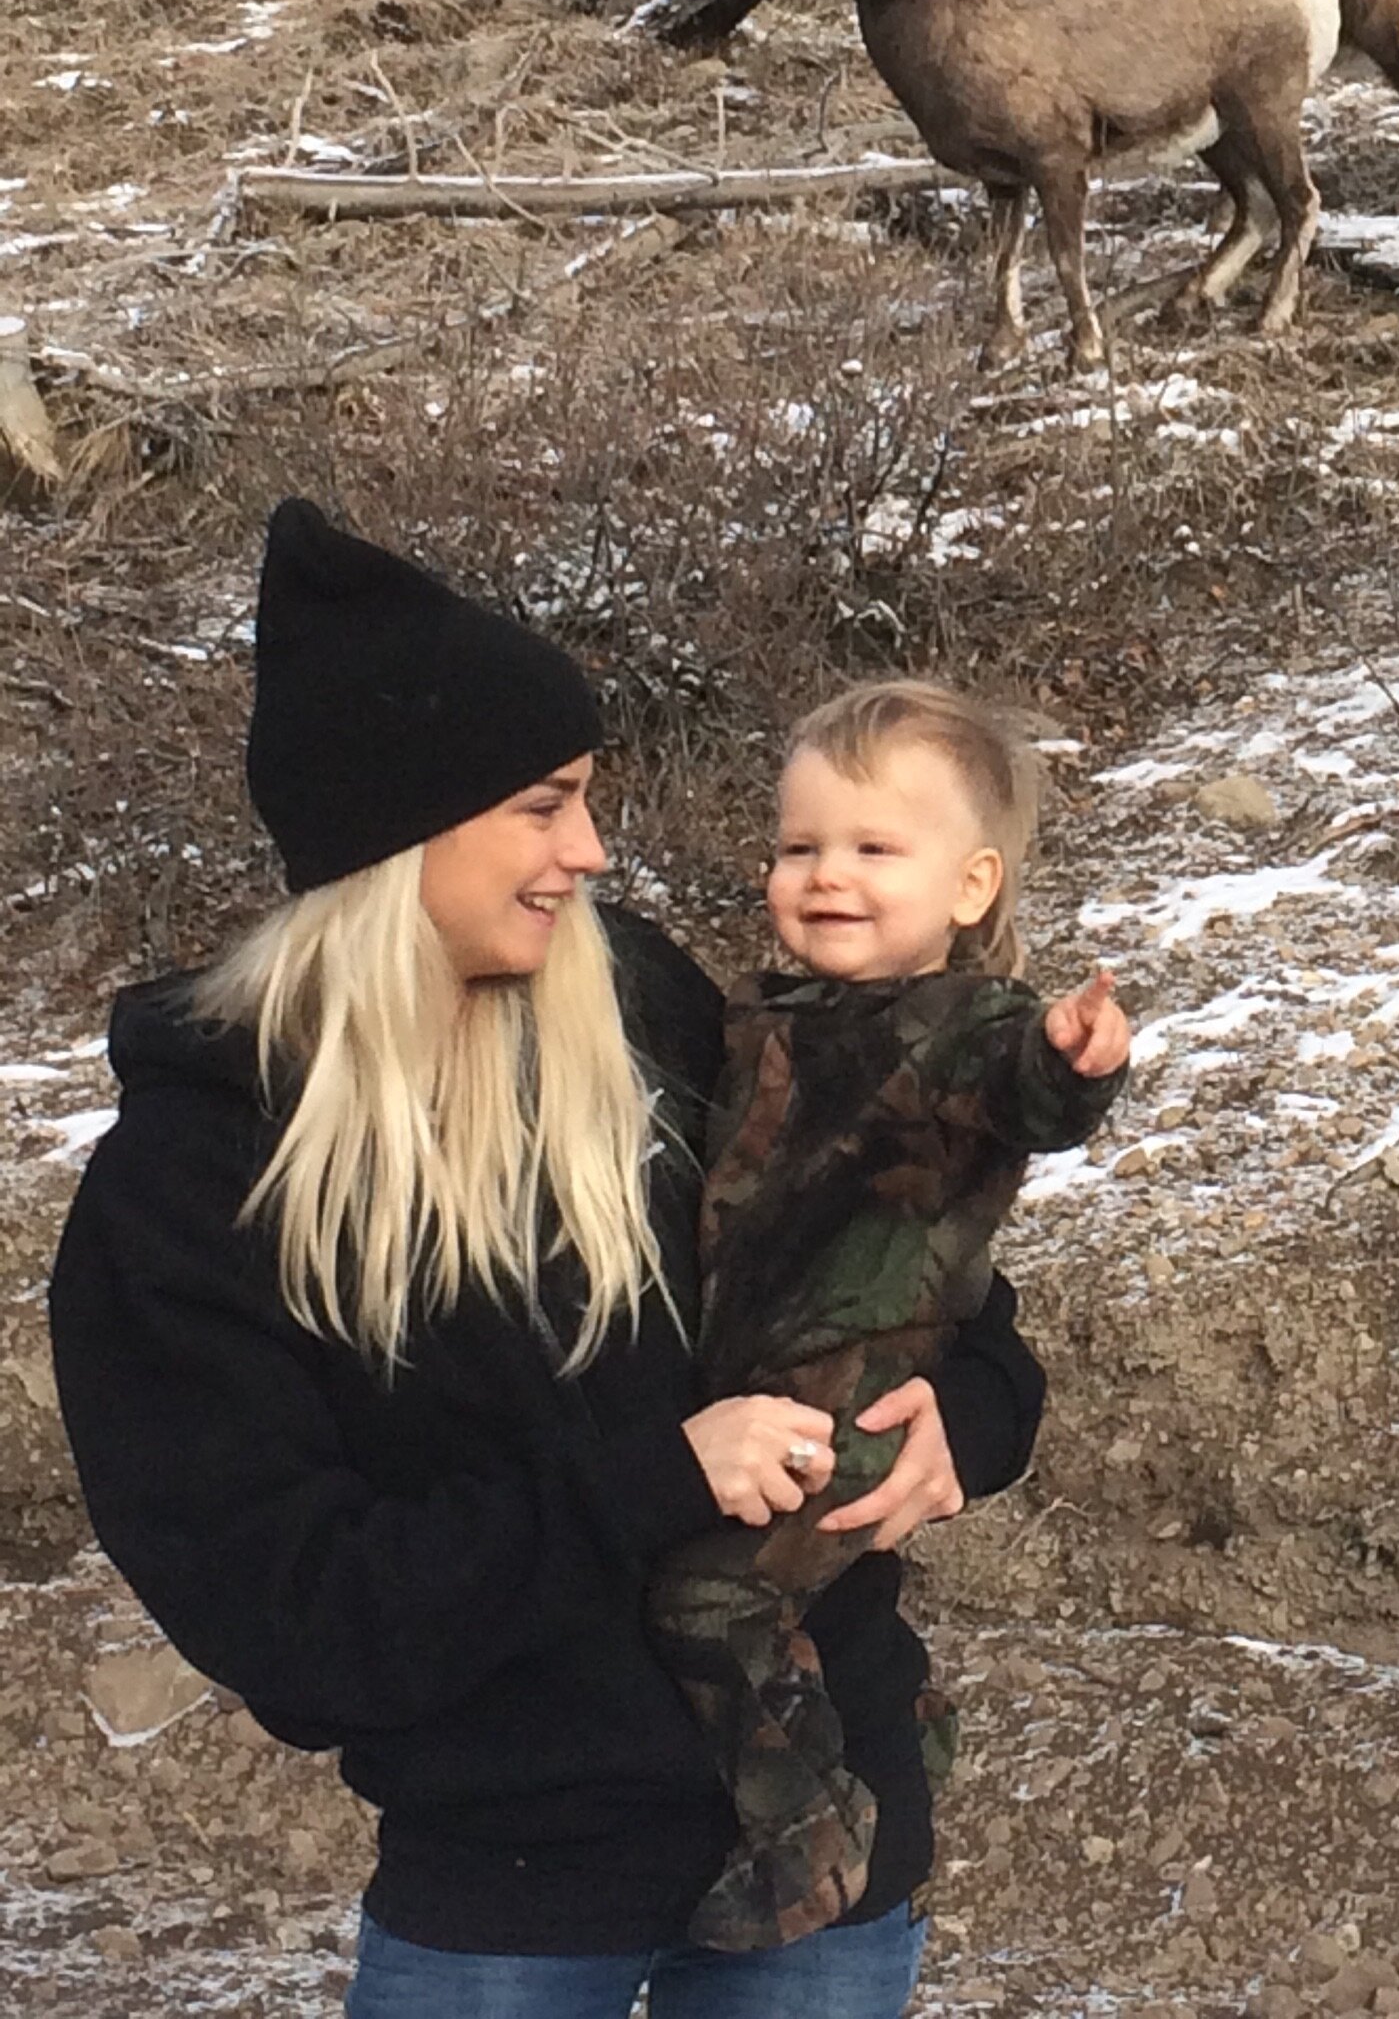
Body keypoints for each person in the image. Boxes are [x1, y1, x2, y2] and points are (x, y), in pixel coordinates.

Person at [46, 499, 1048, 2019]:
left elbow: (891, 1249)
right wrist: (656, 1477)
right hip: (512, 1883)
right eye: (543, 804)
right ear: (401, 825)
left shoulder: (638, 1002)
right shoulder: (194, 1182)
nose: (588, 849)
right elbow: (300, 1621)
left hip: (822, 1844)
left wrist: (969, 1418)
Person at [649, 681, 1131, 1952]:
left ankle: (812, 1835)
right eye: (800, 847)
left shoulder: (950, 1025)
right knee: (769, 1593)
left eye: (873, 849)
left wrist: (1072, 1060)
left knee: (713, 1604)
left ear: (971, 887)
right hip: (760, 1377)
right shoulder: (767, 1017)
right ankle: (902, 1737)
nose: (825, 876)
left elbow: (1012, 1088)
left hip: (847, 1390)